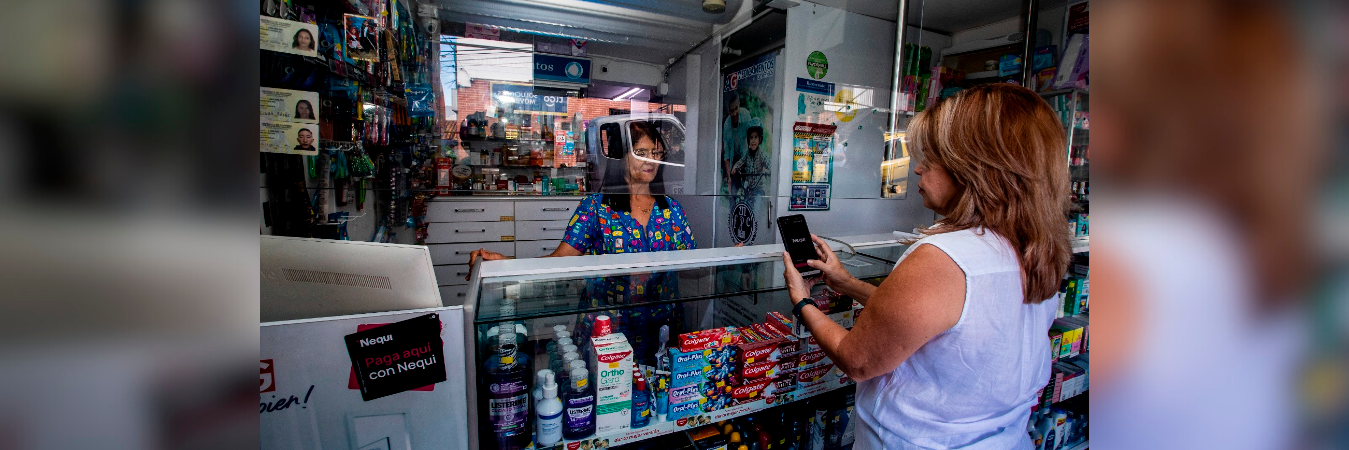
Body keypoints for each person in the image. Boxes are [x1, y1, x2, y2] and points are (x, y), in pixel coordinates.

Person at [779, 84, 1070, 449]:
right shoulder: (1029, 247)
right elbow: (935, 319)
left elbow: (857, 360)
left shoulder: (944, 257)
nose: (917, 169)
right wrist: (847, 282)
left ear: (974, 168)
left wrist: (802, 301)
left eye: (932, 158)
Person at [469, 120, 701, 362]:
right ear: (620, 158)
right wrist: (505, 262)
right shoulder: (596, 207)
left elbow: (691, 268)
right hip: (609, 332)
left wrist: (733, 254)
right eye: (640, 153)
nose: (650, 161)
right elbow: (560, 260)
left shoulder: (671, 209)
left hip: (661, 332)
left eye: (656, 153)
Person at [720, 92, 749, 194]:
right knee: (733, 191)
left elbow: (752, 142)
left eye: (736, 109)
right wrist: (729, 178)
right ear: (728, 111)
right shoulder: (726, 126)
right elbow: (727, 155)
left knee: (748, 191)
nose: (735, 113)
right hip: (734, 161)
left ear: (739, 105)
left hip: (746, 158)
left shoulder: (746, 116)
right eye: (732, 111)